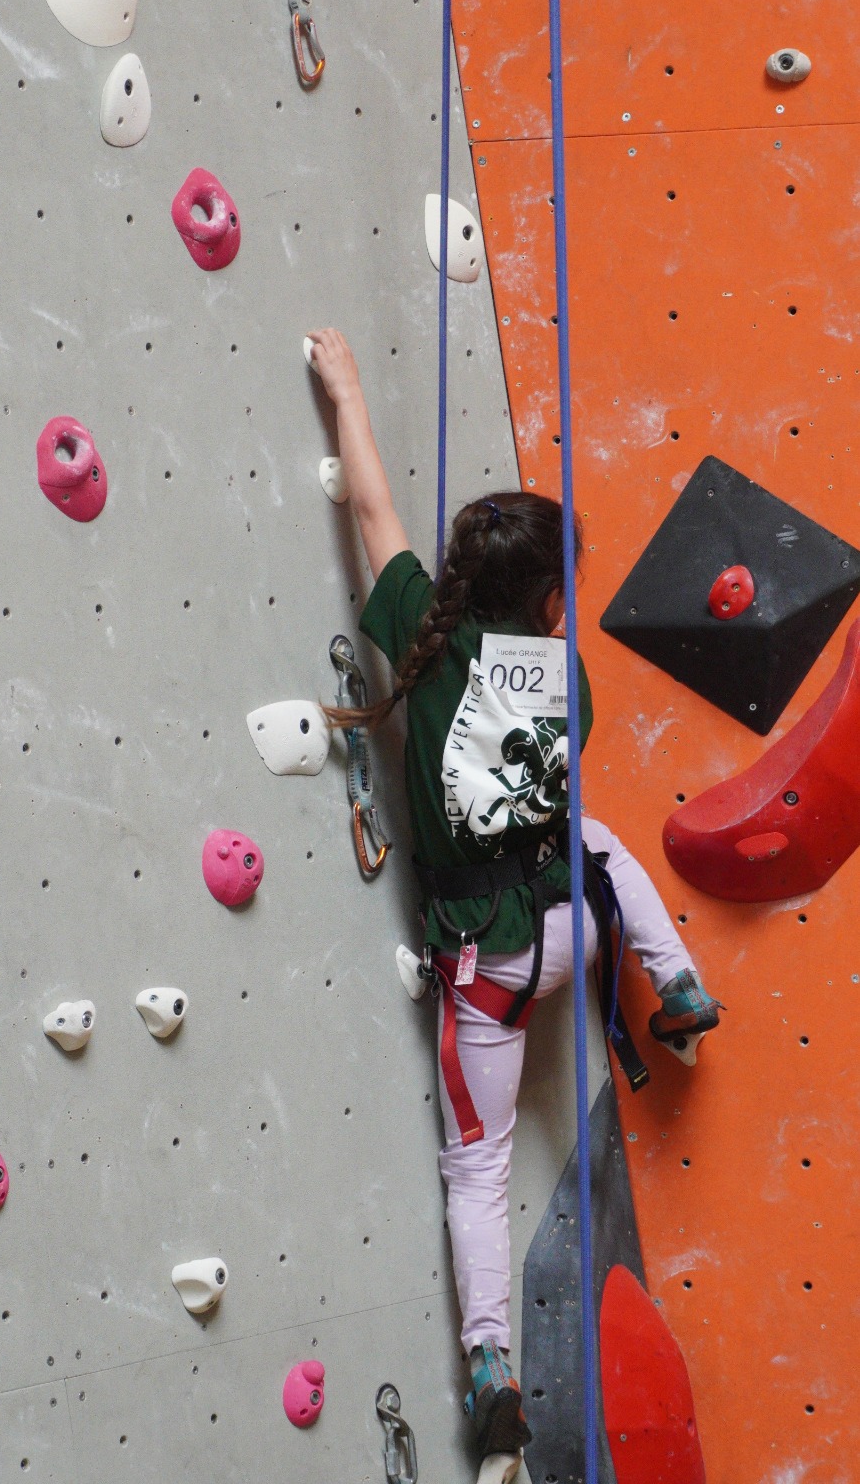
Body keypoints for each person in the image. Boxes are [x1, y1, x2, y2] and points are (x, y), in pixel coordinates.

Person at [307, 328, 722, 1471]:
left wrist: (344, 390)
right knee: (595, 835)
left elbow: (373, 518)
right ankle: (673, 975)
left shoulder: (419, 642)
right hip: (570, 926)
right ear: (548, 600)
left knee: (476, 1171)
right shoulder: (562, 677)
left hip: (487, 967)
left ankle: (490, 1362)